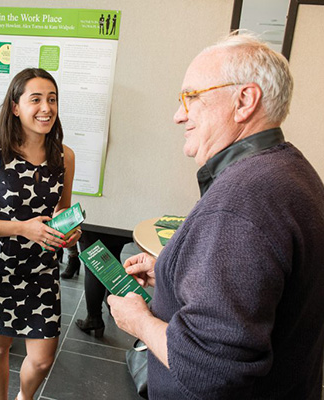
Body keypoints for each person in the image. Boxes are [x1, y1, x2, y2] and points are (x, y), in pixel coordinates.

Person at [108, 32, 324, 399]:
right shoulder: (289, 170)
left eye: (190, 97)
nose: (179, 116)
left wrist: (140, 323)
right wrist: (172, 276)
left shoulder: (245, 200)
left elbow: (211, 368)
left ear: (244, 101)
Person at [0, 68, 80, 400]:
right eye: (36, 99)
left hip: (40, 269)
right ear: (15, 107)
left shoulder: (64, 157)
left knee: (42, 360)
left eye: (52, 99)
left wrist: (68, 230)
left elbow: (60, 213)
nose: (46, 108)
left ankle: (24, 398)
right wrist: (22, 228)